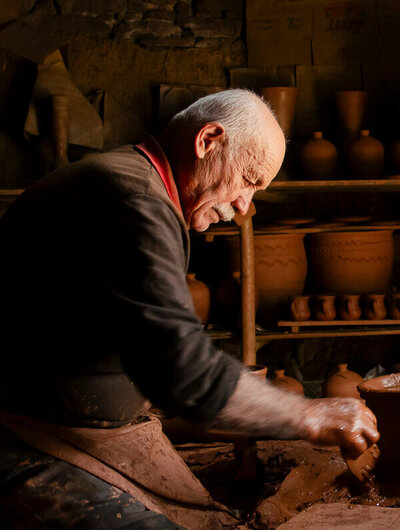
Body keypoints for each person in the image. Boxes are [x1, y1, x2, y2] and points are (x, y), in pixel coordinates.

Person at [0, 89, 379, 528]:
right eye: (250, 180)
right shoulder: (134, 199)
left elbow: (152, 359)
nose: (243, 207)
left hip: (83, 429)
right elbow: (182, 374)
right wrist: (308, 414)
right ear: (208, 141)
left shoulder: (138, 184)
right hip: (24, 439)